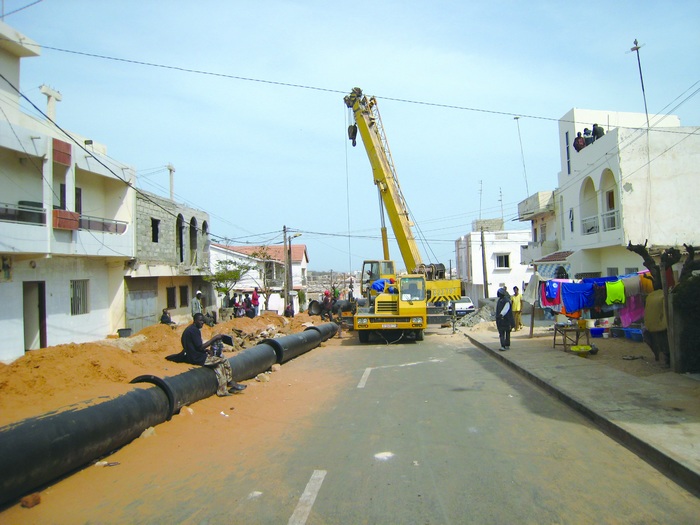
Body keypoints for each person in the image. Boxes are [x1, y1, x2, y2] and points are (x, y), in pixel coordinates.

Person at [181, 313, 246, 396]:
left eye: (203, 321)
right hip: (197, 358)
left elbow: (195, 347)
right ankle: (224, 388)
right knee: (220, 362)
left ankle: (228, 383)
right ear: (195, 320)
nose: (202, 323)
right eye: (200, 320)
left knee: (222, 360)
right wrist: (214, 339)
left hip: (194, 355)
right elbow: (200, 347)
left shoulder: (190, 329)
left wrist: (206, 351)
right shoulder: (194, 331)